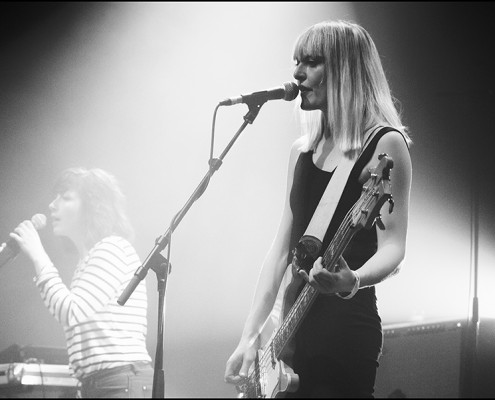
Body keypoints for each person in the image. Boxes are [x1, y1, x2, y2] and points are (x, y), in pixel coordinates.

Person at [224, 20, 412, 398]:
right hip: (292, 328)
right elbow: (280, 252)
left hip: (345, 331)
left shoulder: (385, 144)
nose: (296, 73)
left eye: (311, 61)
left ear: (344, 68)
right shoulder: (301, 151)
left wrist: (353, 279)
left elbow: (394, 245)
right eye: (296, 60)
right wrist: (249, 337)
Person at [4, 167, 154, 398]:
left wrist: (38, 255)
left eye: (65, 198)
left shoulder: (111, 248)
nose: (53, 205)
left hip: (120, 381)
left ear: (92, 207)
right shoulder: (89, 260)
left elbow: (72, 311)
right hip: (104, 383)